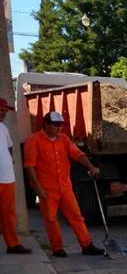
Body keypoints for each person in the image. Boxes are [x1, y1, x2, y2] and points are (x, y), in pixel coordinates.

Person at [23, 111, 104, 258]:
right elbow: (30, 166)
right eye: (55, 125)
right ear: (46, 124)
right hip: (47, 189)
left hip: (65, 187)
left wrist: (91, 167)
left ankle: (87, 245)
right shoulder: (33, 141)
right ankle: (57, 248)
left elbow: (78, 154)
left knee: (76, 216)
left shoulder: (64, 139)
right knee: (51, 219)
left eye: (60, 125)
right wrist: (37, 187)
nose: (59, 128)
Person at [0, 98, 30, 254]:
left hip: (7, 179)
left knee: (8, 214)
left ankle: (13, 245)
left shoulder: (3, 128)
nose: (3, 113)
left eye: (5, 111)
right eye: (1, 110)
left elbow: (10, 147)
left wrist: (9, 162)